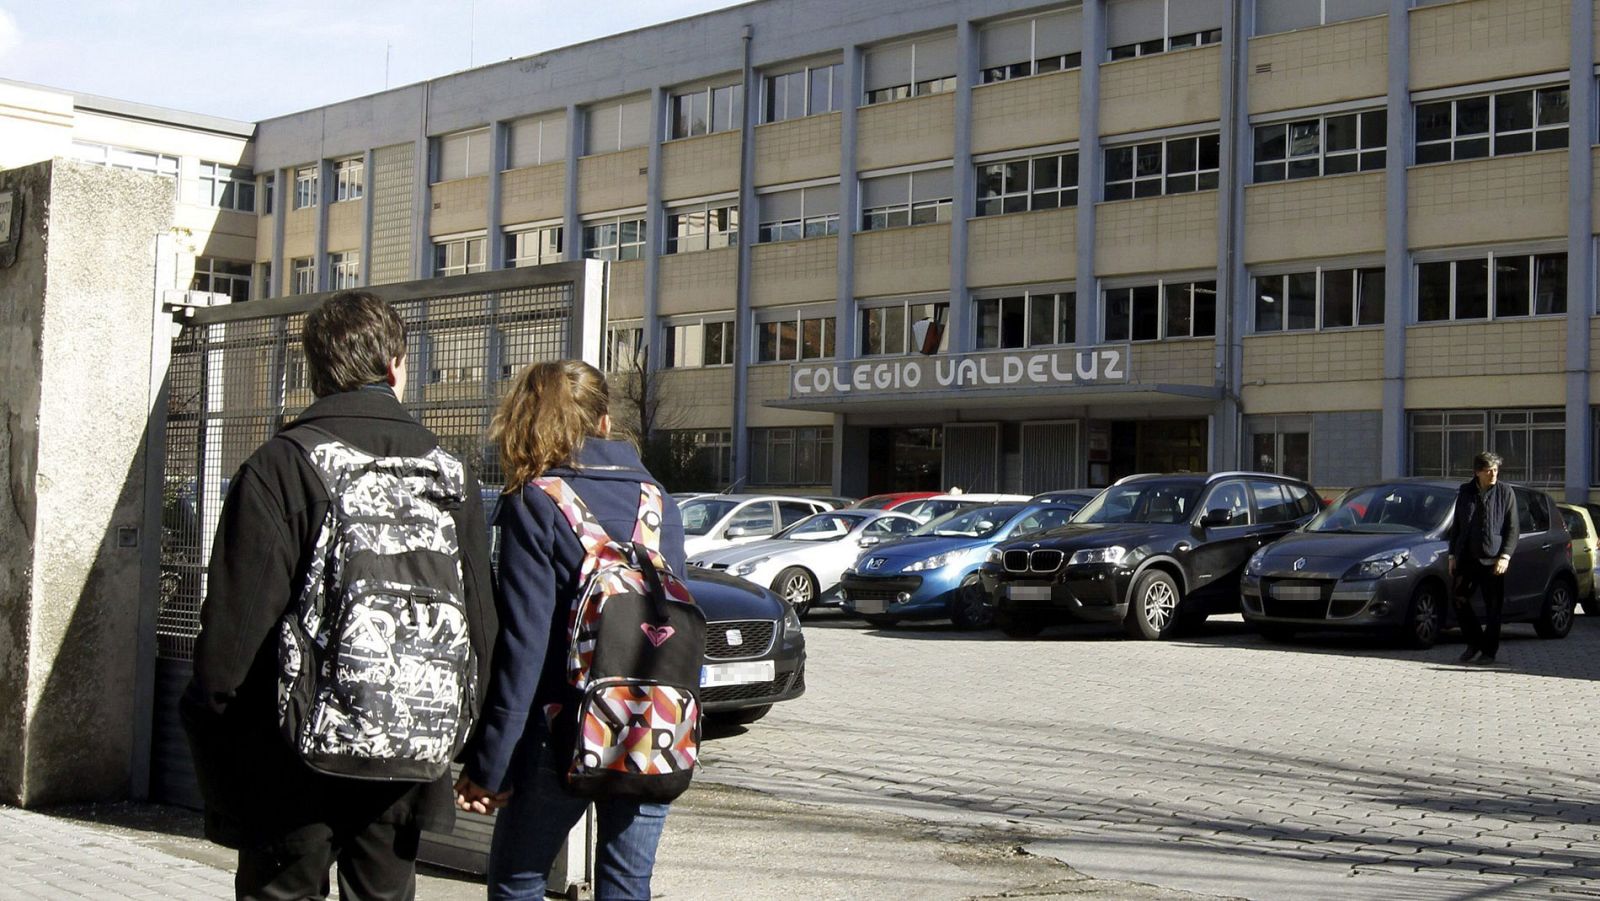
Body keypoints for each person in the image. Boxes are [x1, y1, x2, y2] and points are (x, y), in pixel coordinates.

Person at [181, 291, 497, 900]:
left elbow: (232, 639)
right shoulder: (450, 476)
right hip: (408, 747)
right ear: (397, 366)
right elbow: (481, 624)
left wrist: (217, 743)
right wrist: (471, 741)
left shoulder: (283, 464)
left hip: (290, 756)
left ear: (314, 370)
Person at [455, 359, 687, 901]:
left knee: (519, 880)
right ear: (605, 422)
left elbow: (524, 648)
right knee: (628, 884)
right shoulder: (658, 501)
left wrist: (489, 765)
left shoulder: (535, 502)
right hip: (653, 723)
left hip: (559, 731)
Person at [1447, 451, 1519, 666]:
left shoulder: (1505, 492)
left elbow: (1513, 528)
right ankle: (1475, 642)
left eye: (1495, 470)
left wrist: (1505, 556)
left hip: (1493, 559)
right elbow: (1457, 525)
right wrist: (1453, 554)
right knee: (1459, 598)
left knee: (1493, 606)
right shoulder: (1466, 491)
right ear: (1477, 472)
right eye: (1488, 470)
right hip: (1467, 556)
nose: (1493, 474)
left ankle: (1489, 651)